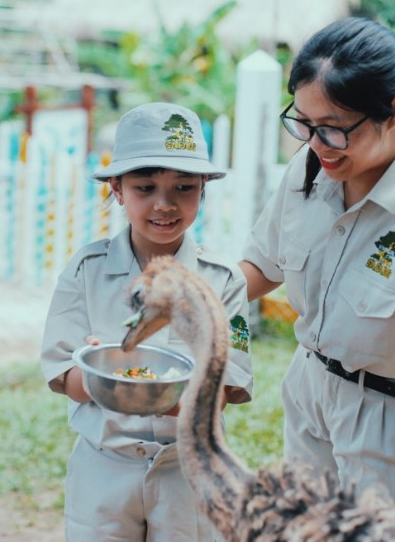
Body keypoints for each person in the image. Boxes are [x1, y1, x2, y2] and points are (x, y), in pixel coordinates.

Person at [238, 17, 395, 527]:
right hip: (312, 390)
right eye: (304, 123)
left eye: (334, 127)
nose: (316, 143)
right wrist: (186, 304)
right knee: (307, 531)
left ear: (394, 110)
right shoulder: (312, 167)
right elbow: (260, 265)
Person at [40, 102, 254, 541]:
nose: (164, 204)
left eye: (183, 188)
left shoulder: (221, 281)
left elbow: (221, 394)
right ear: (117, 189)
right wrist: (102, 375)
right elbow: (65, 374)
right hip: (103, 467)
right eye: (144, 187)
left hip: (189, 470)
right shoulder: (86, 270)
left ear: (203, 190)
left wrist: (122, 381)